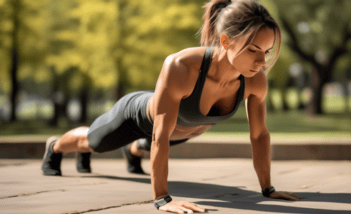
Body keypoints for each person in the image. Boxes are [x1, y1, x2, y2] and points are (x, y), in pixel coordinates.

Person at [42, 0, 304, 212]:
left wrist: (268, 189)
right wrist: (162, 199)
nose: (261, 62)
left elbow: (259, 135)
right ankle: (54, 146)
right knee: (93, 143)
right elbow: (160, 135)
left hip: (183, 129)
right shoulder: (182, 67)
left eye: (266, 52)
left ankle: (134, 151)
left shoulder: (254, 80)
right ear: (225, 41)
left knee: (175, 134)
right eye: (253, 50)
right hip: (138, 117)